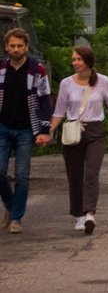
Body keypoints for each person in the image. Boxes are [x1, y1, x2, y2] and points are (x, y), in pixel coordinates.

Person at [49, 45, 108, 234]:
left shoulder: (103, 81)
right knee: (75, 175)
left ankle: (90, 214)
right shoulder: (66, 84)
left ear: (88, 61)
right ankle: (79, 214)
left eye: (79, 59)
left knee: (92, 174)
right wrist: (48, 132)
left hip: (95, 132)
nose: (76, 63)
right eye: (74, 60)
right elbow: (59, 112)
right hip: (73, 132)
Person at [0, 28, 52, 234]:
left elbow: (45, 99)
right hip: (2, 126)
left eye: (20, 46)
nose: (16, 49)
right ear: (6, 47)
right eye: (12, 45)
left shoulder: (36, 69)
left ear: (26, 47)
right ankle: (11, 205)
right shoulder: (1, 68)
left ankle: (15, 218)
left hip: (26, 129)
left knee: (22, 175)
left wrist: (45, 130)